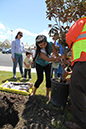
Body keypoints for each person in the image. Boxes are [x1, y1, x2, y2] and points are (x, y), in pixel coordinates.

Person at [65, 17, 86, 129]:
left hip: (83, 60)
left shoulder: (82, 22)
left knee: (77, 91)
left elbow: (69, 37)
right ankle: (77, 108)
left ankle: (81, 123)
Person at [30, 35, 60, 99]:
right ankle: (34, 91)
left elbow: (56, 54)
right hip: (39, 64)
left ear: (46, 41)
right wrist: (56, 59)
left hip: (48, 64)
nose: (43, 46)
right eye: (41, 45)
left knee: (48, 79)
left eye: (44, 44)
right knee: (40, 79)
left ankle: (47, 94)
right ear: (38, 45)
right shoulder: (38, 51)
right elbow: (47, 59)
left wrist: (60, 60)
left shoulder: (50, 44)